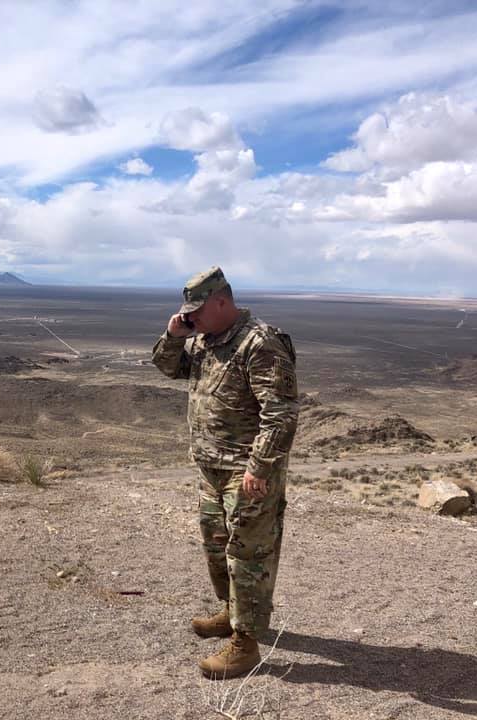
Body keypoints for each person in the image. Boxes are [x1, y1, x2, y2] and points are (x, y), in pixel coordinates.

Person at [151, 266, 299, 679]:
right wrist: (173, 336)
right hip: (212, 466)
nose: (191, 318)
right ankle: (231, 613)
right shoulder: (203, 340)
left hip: (247, 472)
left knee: (248, 554)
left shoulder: (260, 342)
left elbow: (281, 413)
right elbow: (168, 367)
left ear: (222, 301)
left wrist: (260, 466)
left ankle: (245, 644)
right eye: (187, 313)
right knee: (216, 545)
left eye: (196, 311)